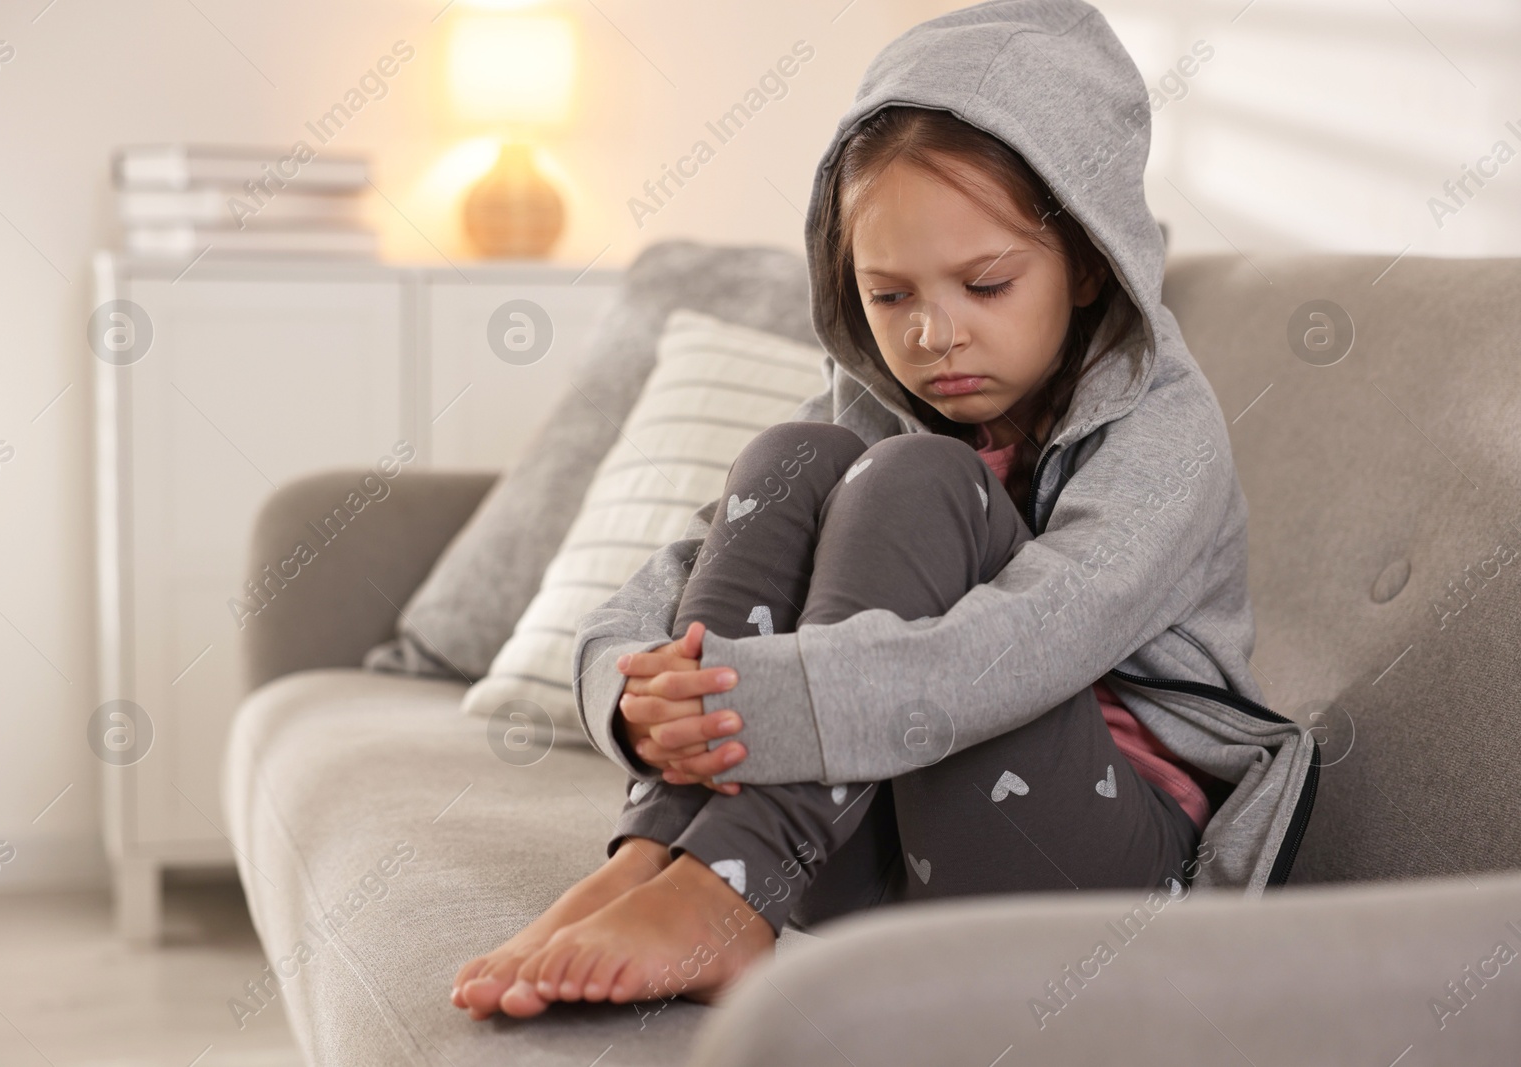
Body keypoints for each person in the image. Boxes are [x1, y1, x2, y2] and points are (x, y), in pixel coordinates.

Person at [452, 0, 1315, 1021]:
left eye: (985, 284)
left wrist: (740, 704)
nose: (933, 334)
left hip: (1098, 870)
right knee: (791, 456)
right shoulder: (867, 412)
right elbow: (666, 577)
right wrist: (631, 700)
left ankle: (726, 884)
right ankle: (655, 857)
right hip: (895, 835)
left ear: (1086, 262)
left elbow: (1010, 650)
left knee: (918, 479)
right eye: (890, 295)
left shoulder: (1164, 434)